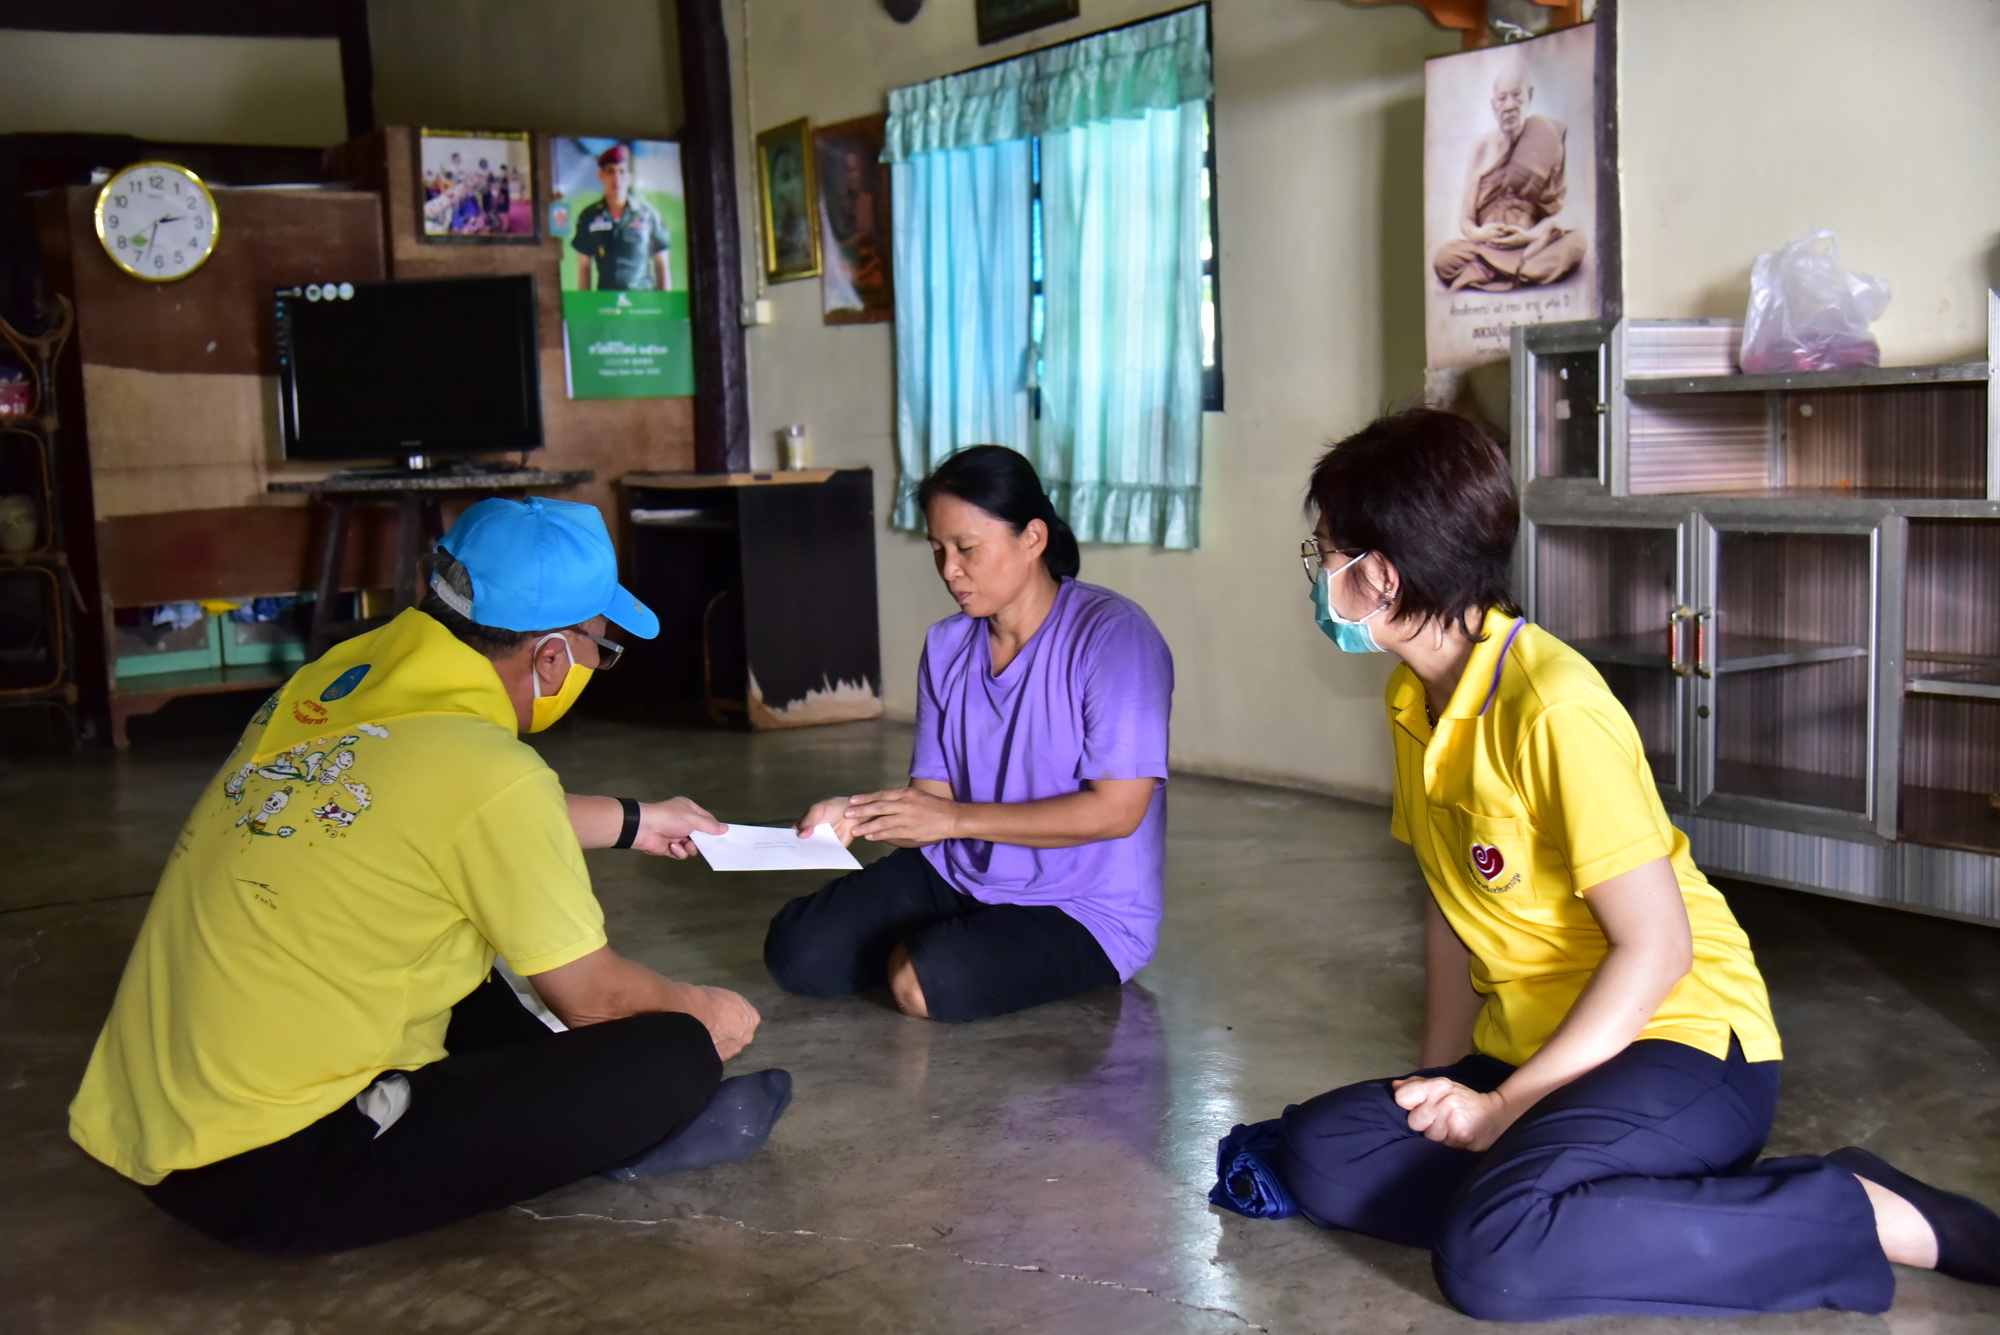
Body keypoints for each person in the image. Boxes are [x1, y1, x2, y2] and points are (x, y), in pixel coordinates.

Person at [1209, 409, 2000, 1319]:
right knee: (1324, 1152)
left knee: (1495, 1260)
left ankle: (1852, 1208)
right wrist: (1443, 1084)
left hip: (1677, 1044)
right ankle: (1591, 1197)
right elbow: (1449, 903)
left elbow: (1658, 949)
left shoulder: (1552, 707)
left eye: (1324, 556)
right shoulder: (1413, 697)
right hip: (1538, 1048)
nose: (1317, 580)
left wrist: (1504, 1108)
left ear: (1381, 577)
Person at [69, 497, 789, 1256]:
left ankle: (576, 1107)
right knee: (671, 1052)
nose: (591, 666)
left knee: (464, 949)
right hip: (276, 1170)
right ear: (550, 657)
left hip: (161, 1119)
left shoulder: (342, 675)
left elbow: (431, 810)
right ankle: (618, 1128)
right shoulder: (491, 773)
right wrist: (705, 1012)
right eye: (597, 650)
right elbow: (596, 999)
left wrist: (637, 820)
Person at [763, 446, 1173, 1023]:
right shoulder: (947, 645)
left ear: (1033, 538)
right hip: (960, 869)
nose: (949, 569)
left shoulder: (1113, 637)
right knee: (796, 950)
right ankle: (962, 938)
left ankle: (957, 949)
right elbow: (933, 797)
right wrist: (855, 814)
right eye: (938, 549)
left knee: (924, 982)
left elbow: (1117, 812)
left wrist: (954, 822)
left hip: (1082, 904)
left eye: (967, 548)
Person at [1431, 54, 1588, 293]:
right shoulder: (1481, 148)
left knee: (1577, 243)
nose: (1509, 106)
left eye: (1516, 95)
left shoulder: (1548, 139)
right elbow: (1466, 219)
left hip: (1529, 243)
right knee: (1444, 258)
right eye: (1502, 98)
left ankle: (1489, 272)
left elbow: (1553, 215)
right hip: (1487, 246)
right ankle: (1520, 273)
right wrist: (1480, 234)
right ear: (1493, 105)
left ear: (1530, 96)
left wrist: (1527, 236)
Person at [571, 144, 671, 292]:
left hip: (643, 300)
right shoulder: (589, 216)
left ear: (630, 177)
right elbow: (584, 266)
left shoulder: (648, 215)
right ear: (601, 175)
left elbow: (662, 264)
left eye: (622, 171)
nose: (617, 178)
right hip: (606, 301)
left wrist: (665, 303)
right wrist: (584, 304)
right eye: (611, 171)